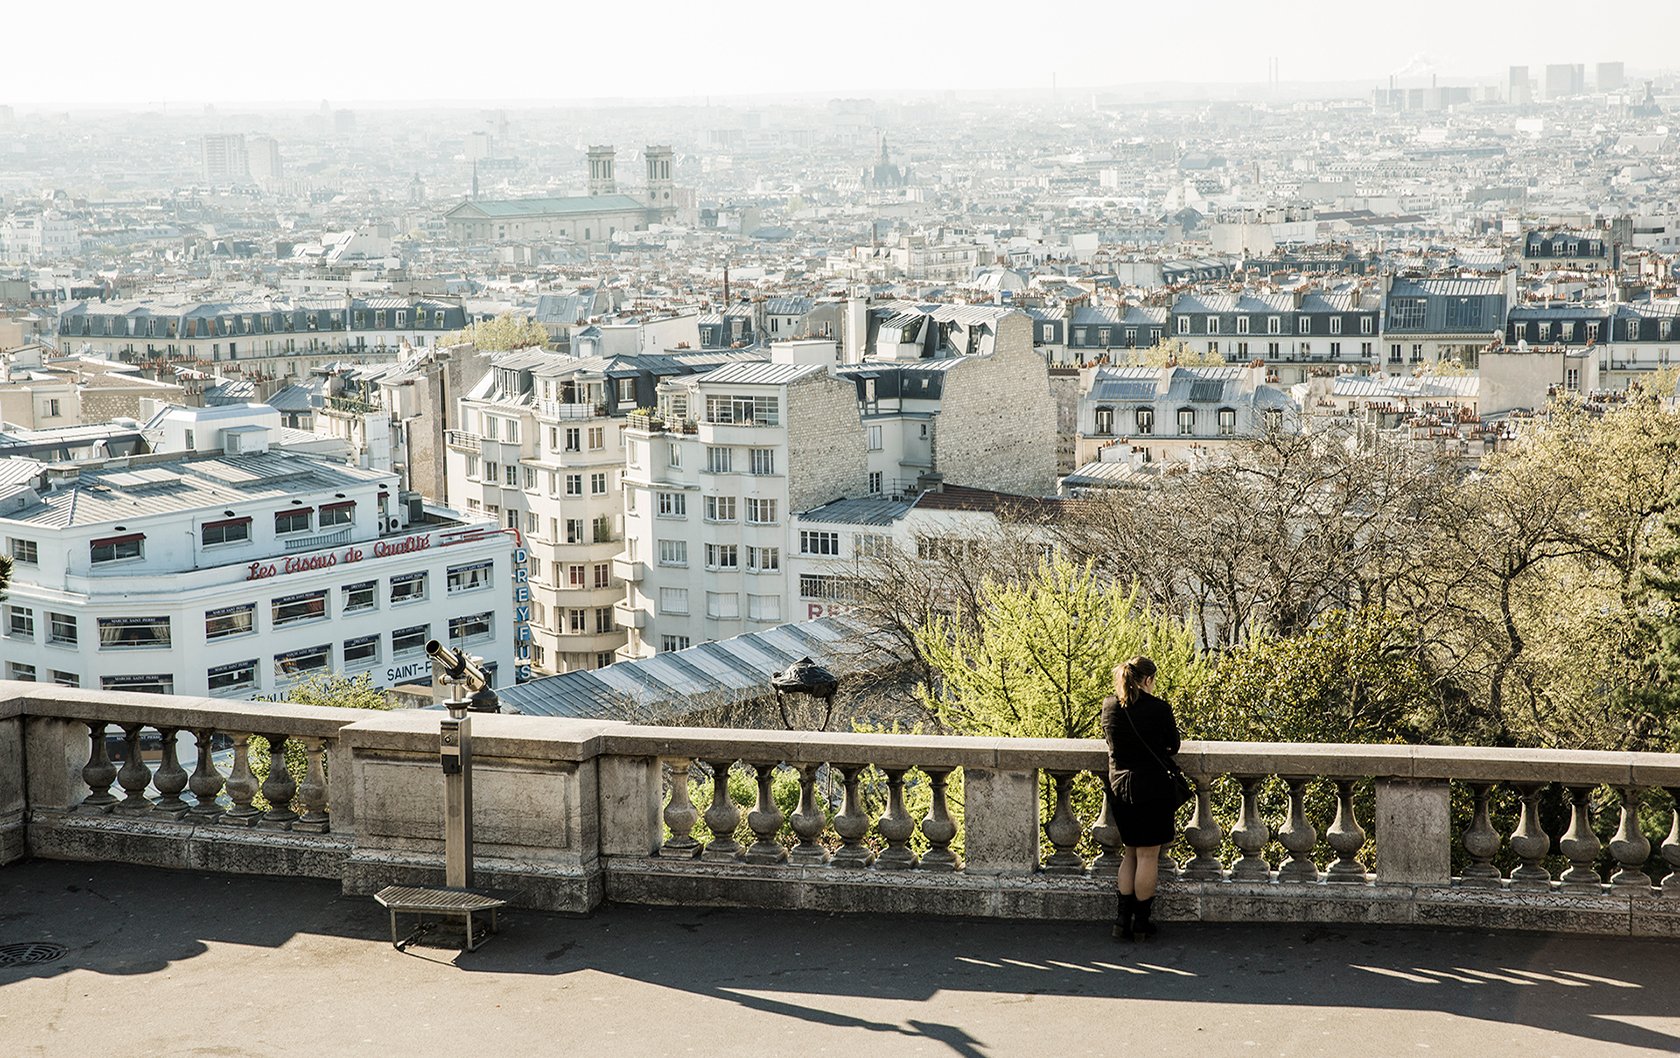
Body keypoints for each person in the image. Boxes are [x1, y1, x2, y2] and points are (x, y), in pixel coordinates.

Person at [1100, 655, 1183, 941]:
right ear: (1148, 680)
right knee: (1149, 855)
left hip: (1120, 788)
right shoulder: (1159, 708)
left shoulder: (1109, 707)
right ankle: (1141, 922)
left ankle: (1121, 920)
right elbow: (1173, 745)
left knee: (1131, 852)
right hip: (1152, 789)